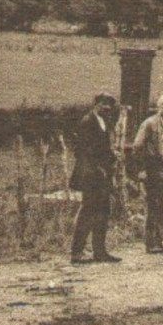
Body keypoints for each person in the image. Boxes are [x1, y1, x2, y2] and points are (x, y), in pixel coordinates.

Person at [70, 93, 121, 264]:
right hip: (90, 174)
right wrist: (98, 166)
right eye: (104, 104)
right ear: (96, 104)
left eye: (109, 105)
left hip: (102, 174)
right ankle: (77, 252)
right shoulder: (87, 122)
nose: (107, 108)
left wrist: (112, 156)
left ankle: (100, 251)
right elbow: (83, 150)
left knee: (103, 212)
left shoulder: (104, 122)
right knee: (88, 211)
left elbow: (103, 148)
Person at [130, 94, 163, 253]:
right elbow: (137, 147)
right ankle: (150, 242)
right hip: (154, 167)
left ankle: (159, 240)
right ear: (158, 106)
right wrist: (141, 169)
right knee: (154, 204)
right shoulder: (150, 124)